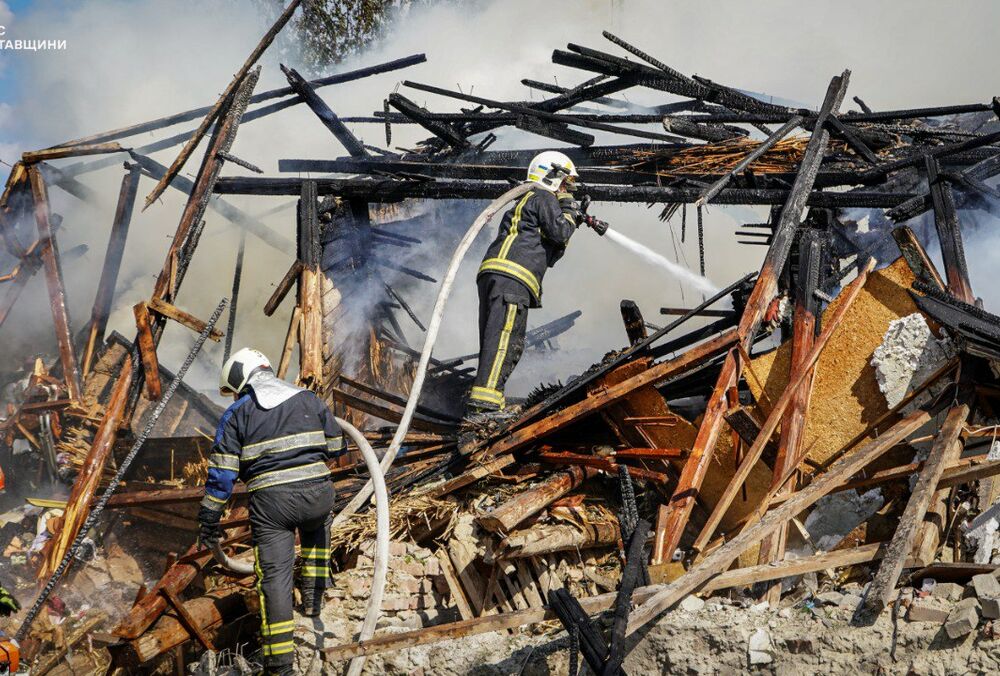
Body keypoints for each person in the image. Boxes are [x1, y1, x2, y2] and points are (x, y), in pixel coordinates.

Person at [197, 348, 346, 676]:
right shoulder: (309, 399)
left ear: (242, 378)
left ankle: (279, 667)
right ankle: (313, 599)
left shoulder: (238, 413)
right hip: (318, 495)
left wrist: (209, 518)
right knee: (317, 530)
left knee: (275, 578)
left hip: (272, 506)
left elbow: (222, 474)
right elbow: (337, 448)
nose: (234, 395)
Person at [466, 150, 593, 418]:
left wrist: (572, 221)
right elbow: (560, 231)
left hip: (496, 276)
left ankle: (490, 399)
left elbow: (553, 250)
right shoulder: (542, 196)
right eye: (565, 185)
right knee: (504, 340)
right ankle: (484, 408)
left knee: (497, 340)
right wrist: (569, 208)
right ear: (553, 177)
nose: (566, 191)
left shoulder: (524, 204)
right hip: (512, 277)